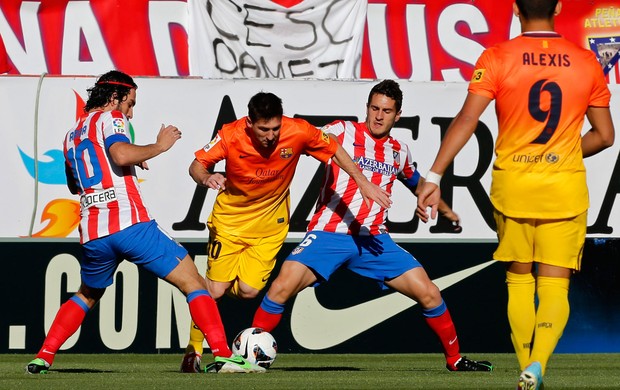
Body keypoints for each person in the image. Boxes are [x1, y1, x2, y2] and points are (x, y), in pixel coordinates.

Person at [416, 1, 615, 389]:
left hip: (514, 185)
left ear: (514, 8)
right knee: (555, 285)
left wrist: (434, 174)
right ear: (558, 6)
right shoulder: (586, 61)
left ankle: (527, 370)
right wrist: (566, 150)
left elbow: (467, 120)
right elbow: (605, 136)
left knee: (519, 281)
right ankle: (538, 364)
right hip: (563, 186)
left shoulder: (496, 58)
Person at [26, 70, 265, 375]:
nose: (131, 111)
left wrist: (122, 163)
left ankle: (43, 356)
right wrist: (158, 145)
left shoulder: (72, 134)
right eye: (131, 102)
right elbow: (120, 153)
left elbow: (75, 184)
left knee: (87, 294)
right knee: (194, 283)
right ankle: (223, 355)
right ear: (115, 97)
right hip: (129, 223)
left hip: (94, 231)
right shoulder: (112, 118)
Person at [250, 80, 494, 373]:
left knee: (430, 293)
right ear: (366, 108)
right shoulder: (342, 131)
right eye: (374, 108)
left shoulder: (398, 150)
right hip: (330, 233)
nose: (379, 116)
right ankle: (248, 357)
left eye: (386, 111)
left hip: (373, 241)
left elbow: (416, 182)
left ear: (397, 115)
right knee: (280, 288)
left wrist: (443, 209)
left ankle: (455, 359)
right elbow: (300, 138)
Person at [181, 91, 391, 372]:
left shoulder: (298, 131)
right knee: (215, 291)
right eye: (263, 129)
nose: (270, 135)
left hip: (270, 227)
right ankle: (193, 351)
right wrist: (207, 177)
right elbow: (196, 165)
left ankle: (214, 286)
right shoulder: (231, 134)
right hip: (230, 222)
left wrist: (361, 180)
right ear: (249, 123)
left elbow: (335, 148)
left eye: (275, 128)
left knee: (248, 291)